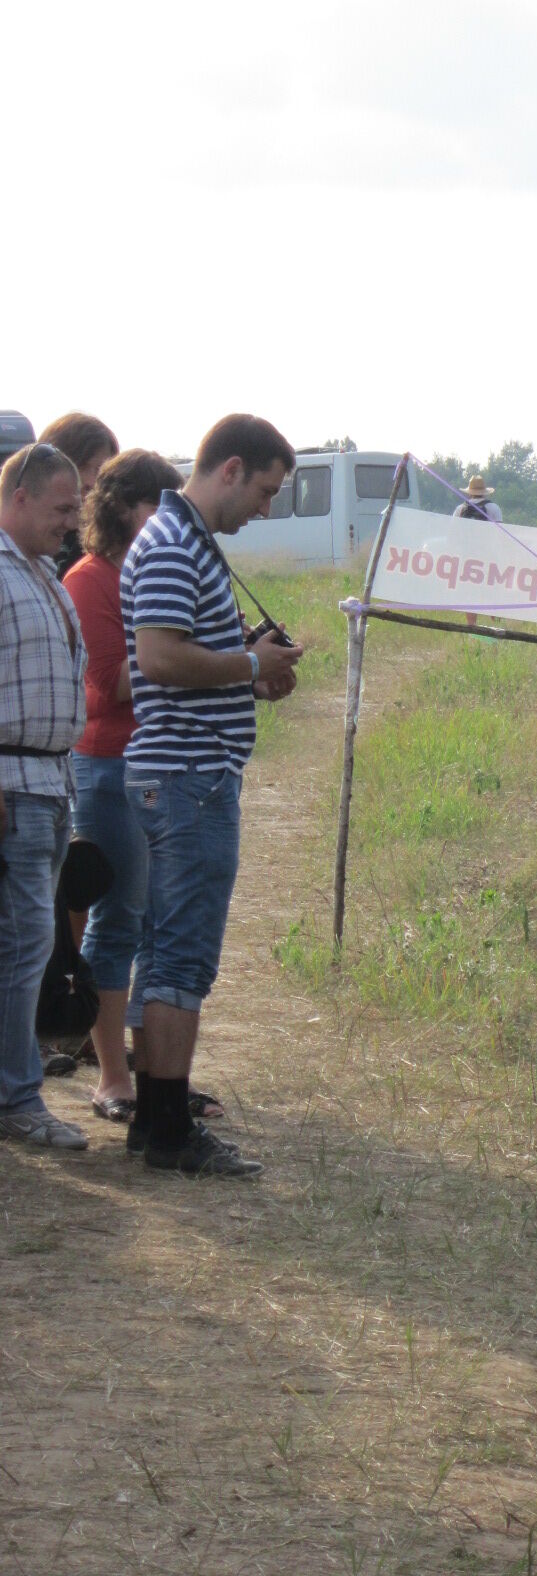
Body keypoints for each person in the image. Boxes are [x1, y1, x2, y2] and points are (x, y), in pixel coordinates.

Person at [121, 415, 303, 1177]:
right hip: (188, 778)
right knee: (182, 958)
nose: (263, 510)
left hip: (189, 771)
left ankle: (157, 1119)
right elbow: (161, 658)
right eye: (263, 491)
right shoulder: (170, 546)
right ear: (230, 468)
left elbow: (185, 656)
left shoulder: (185, 543)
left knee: (170, 951)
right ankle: (166, 1130)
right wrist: (246, 663)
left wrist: (254, 673)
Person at [62, 450, 184, 1121]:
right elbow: (105, 690)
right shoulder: (91, 579)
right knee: (117, 918)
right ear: (124, 508)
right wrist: (187, 658)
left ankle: (146, 1065)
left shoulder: (134, 573)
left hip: (149, 763)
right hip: (109, 764)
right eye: (156, 507)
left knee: (151, 921)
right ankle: (111, 1076)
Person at [0, 442, 89, 1149]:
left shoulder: (45, 577)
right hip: (12, 786)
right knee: (26, 944)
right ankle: (17, 1097)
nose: (72, 521)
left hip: (50, 784)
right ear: (19, 496)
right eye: (62, 507)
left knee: (27, 944)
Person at [37, 413, 119, 579]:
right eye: (80, 467)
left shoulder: (113, 542)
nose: (89, 481)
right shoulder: (25, 540)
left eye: (100, 470)